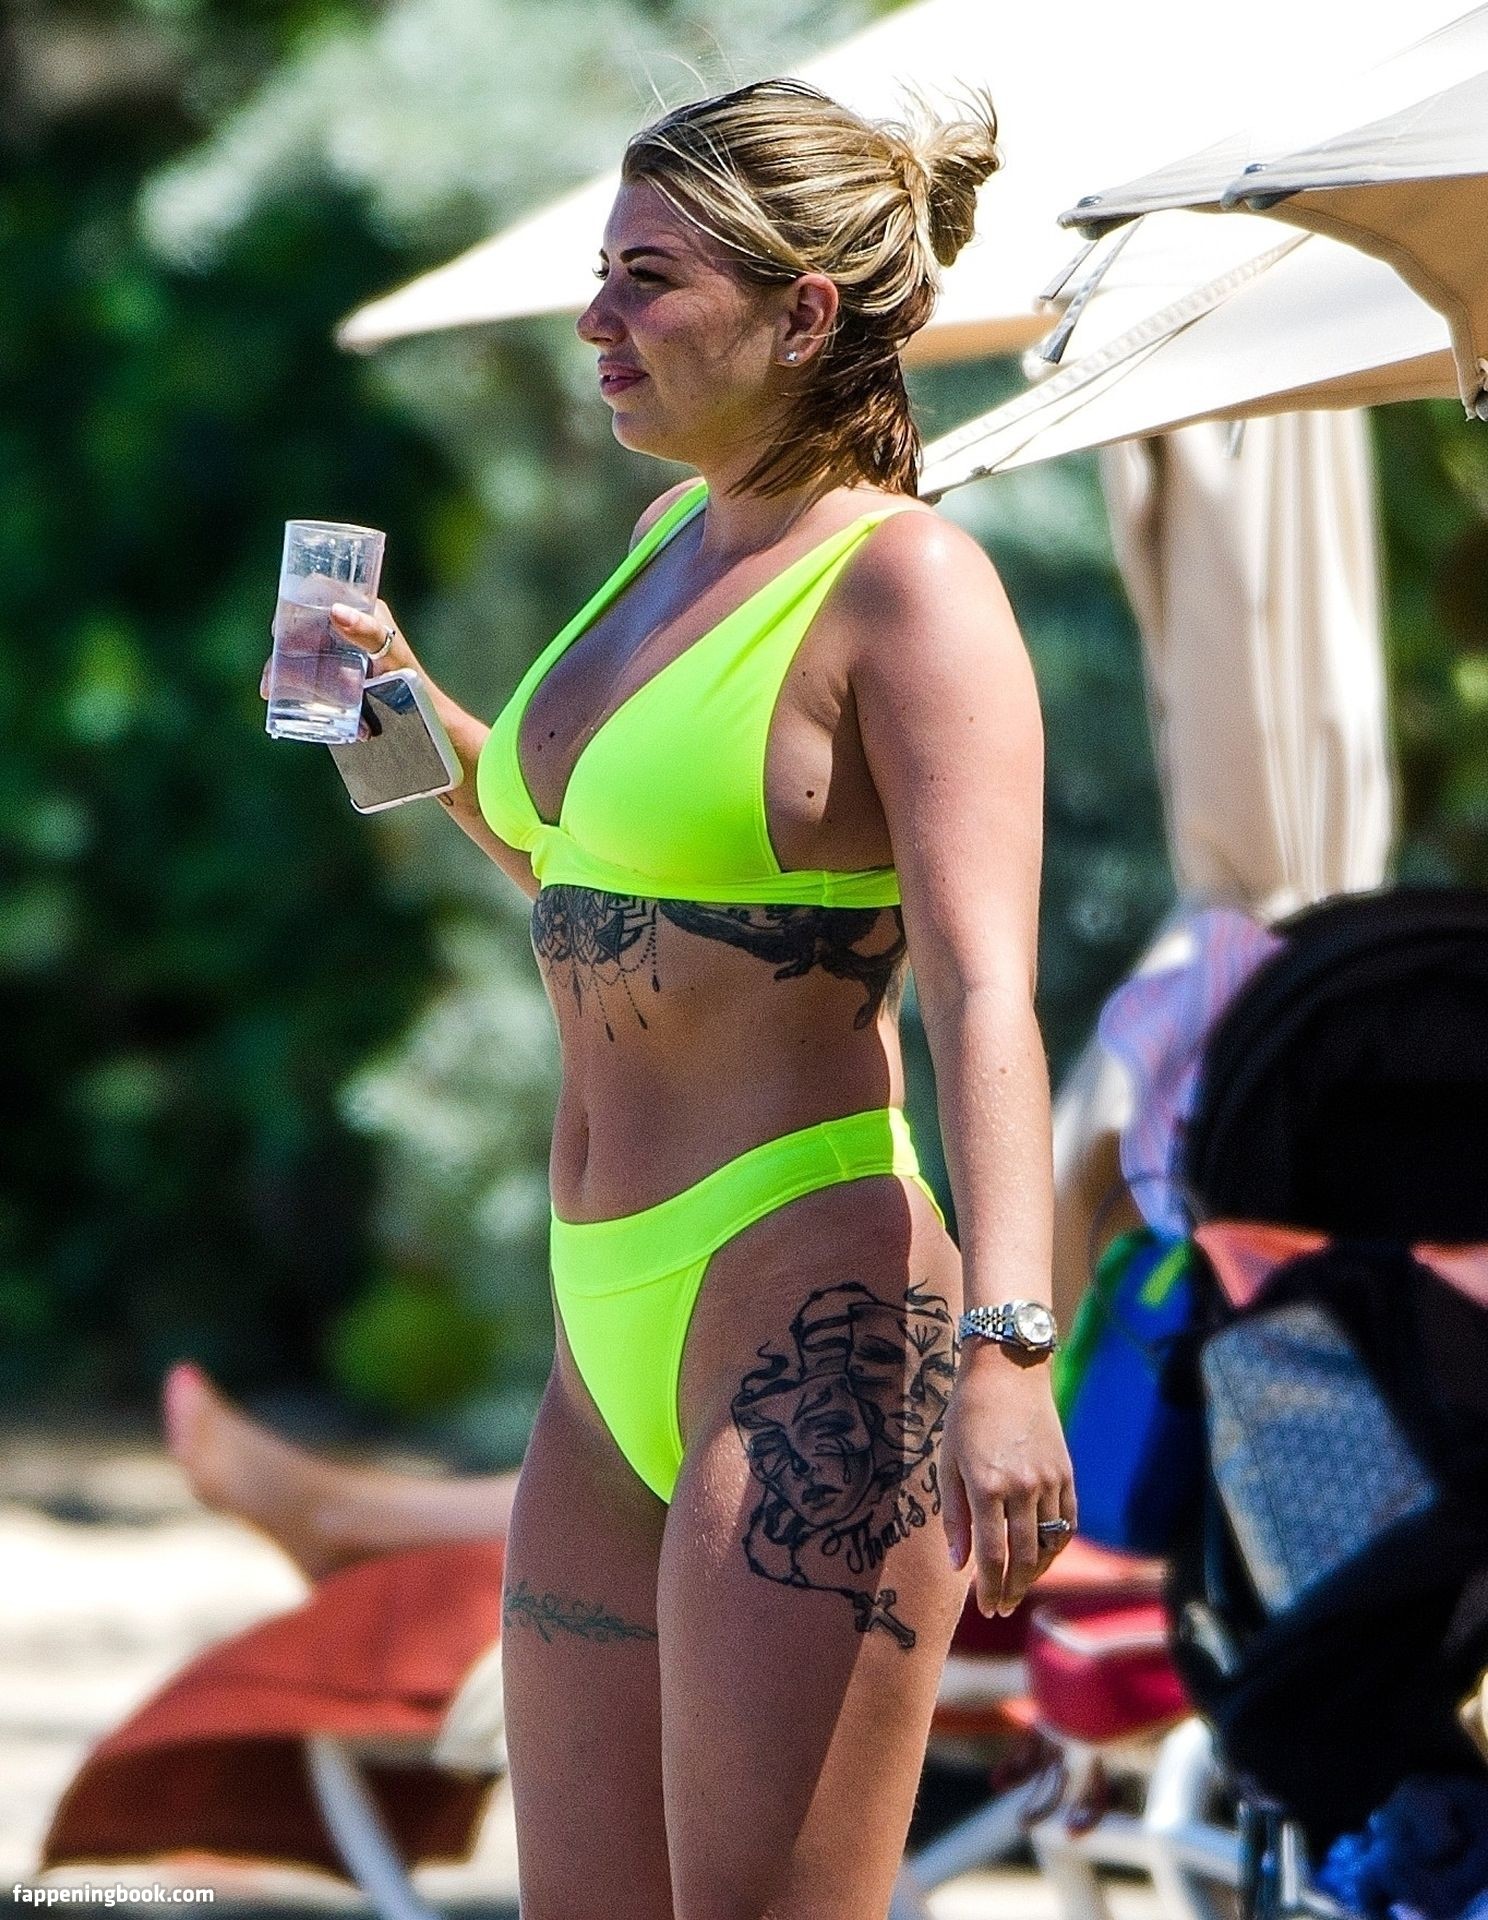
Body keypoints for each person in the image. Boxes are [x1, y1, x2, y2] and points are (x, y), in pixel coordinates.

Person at [261, 75, 1075, 1920]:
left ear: (802, 313)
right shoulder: (664, 547)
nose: (595, 320)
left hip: (810, 1299)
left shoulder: (908, 586)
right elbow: (585, 877)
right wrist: (397, 708)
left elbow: (985, 987)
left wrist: (1013, 1355)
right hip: (602, 1323)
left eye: (647, 277)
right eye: (600, 274)